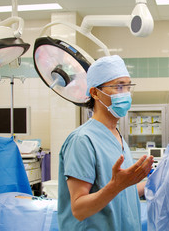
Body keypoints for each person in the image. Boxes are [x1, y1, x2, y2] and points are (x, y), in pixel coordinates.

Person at [58, 55, 154, 230]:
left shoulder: (118, 136)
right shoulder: (83, 140)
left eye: (127, 86)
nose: (125, 93)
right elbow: (78, 209)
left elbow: (122, 192)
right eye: (118, 86)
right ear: (95, 93)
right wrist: (117, 185)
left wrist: (154, 183)